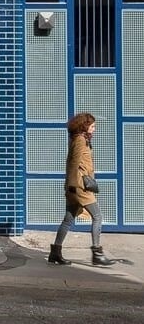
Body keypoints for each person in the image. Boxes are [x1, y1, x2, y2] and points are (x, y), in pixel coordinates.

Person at [48, 112, 113, 266]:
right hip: (79, 187)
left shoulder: (81, 140)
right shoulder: (80, 140)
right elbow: (72, 163)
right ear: (84, 127)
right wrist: (71, 186)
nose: (94, 129)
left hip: (75, 186)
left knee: (68, 219)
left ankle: (55, 253)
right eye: (92, 126)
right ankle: (97, 253)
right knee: (97, 216)